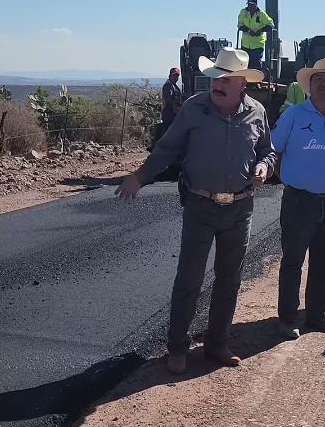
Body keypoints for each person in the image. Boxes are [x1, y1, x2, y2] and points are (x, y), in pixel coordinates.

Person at [115, 47, 277, 375]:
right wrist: (140, 177)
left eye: (226, 79)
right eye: (216, 76)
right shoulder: (194, 109)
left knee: (229, 280)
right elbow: (168, 149)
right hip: (200, 206)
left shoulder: (257, 112)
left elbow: (268, 152)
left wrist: (263, 167)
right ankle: (177, 348)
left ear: (242, 84)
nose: (217, 84)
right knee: (189, 279)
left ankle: (217, 344)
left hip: (240, 208)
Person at [271, 58, 325, 339]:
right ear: (309, 85)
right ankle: (288, 318)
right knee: (293, 261)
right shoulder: (293, 115)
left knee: (324, 262)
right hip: (299, 201)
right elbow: (275, 150)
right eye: (318, 79)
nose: (323, 84)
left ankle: (317, 315)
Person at [237, 0, 274, 70]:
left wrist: (261, 30)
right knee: (244, 64)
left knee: (256, 65)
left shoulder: (261, 14)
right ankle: (245, 80)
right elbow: (240, 25)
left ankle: (256, 80)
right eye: (248, 4)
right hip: (245, 44)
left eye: (252, 4)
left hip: (257, 45)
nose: (250, 6)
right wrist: (248, 31)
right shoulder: (243, 12)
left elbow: (271, 25)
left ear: (256, 5)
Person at [161, 67, 183, 132]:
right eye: (174, 75)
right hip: (169, 113)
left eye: (177, 75)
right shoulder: (168, 85)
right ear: (170, 75)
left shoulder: (173, 85)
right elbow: (168, 99)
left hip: (173, 113)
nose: (175, 77)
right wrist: (180, 102)